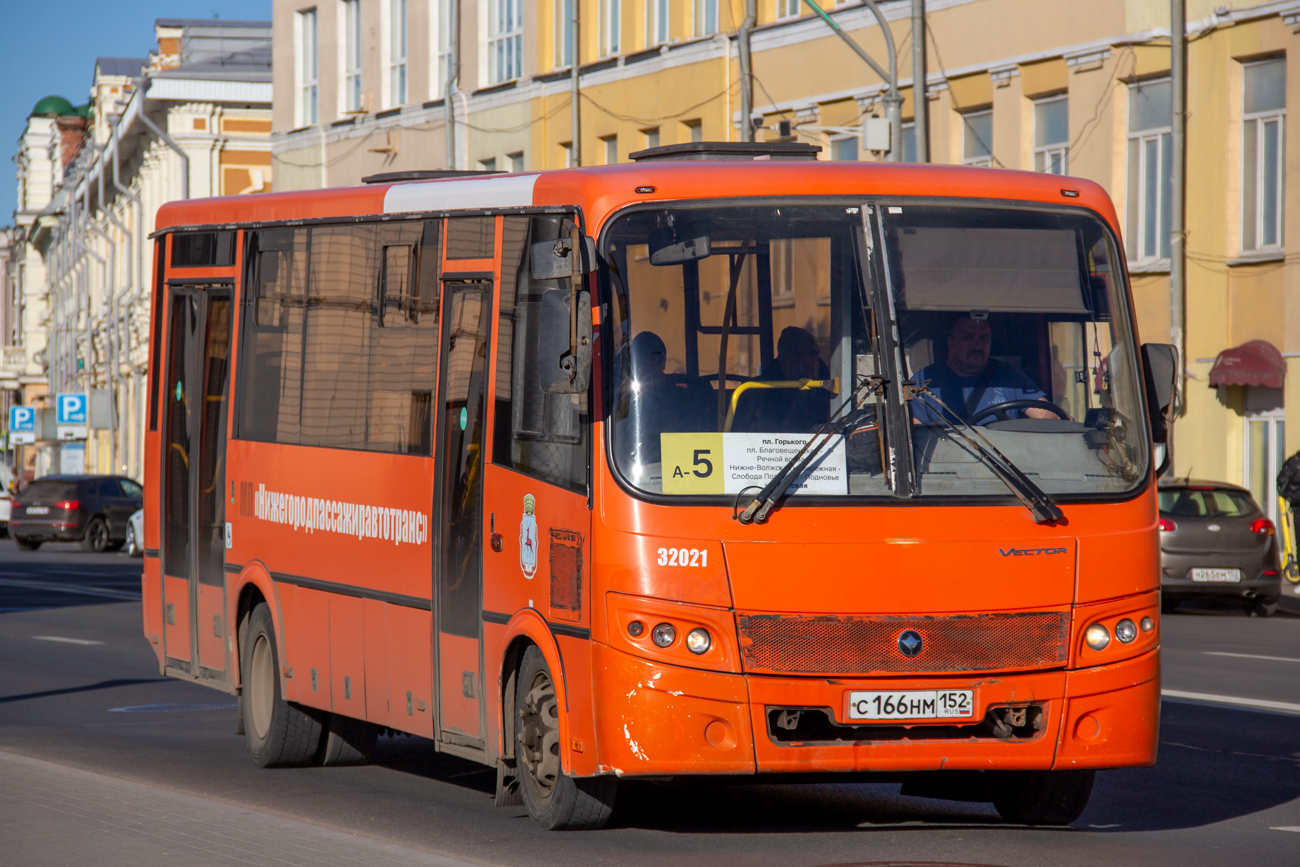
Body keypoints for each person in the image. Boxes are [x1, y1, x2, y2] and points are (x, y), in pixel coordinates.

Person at [910, 314, 1061, 426]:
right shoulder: (922, 382)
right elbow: (914, 435)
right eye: (968, 337)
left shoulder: (1009, 376)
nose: (978, 345)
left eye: (984, 338)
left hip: (1007, 464)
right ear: (951, 342)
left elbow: (1045, 413)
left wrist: (1056, 418)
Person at [732, 326, 833, 433]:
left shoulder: (829, 389)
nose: (807, 362)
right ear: (782, 360)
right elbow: (743, 438)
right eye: (797, 355)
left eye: (812, 354)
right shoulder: (754, 391)